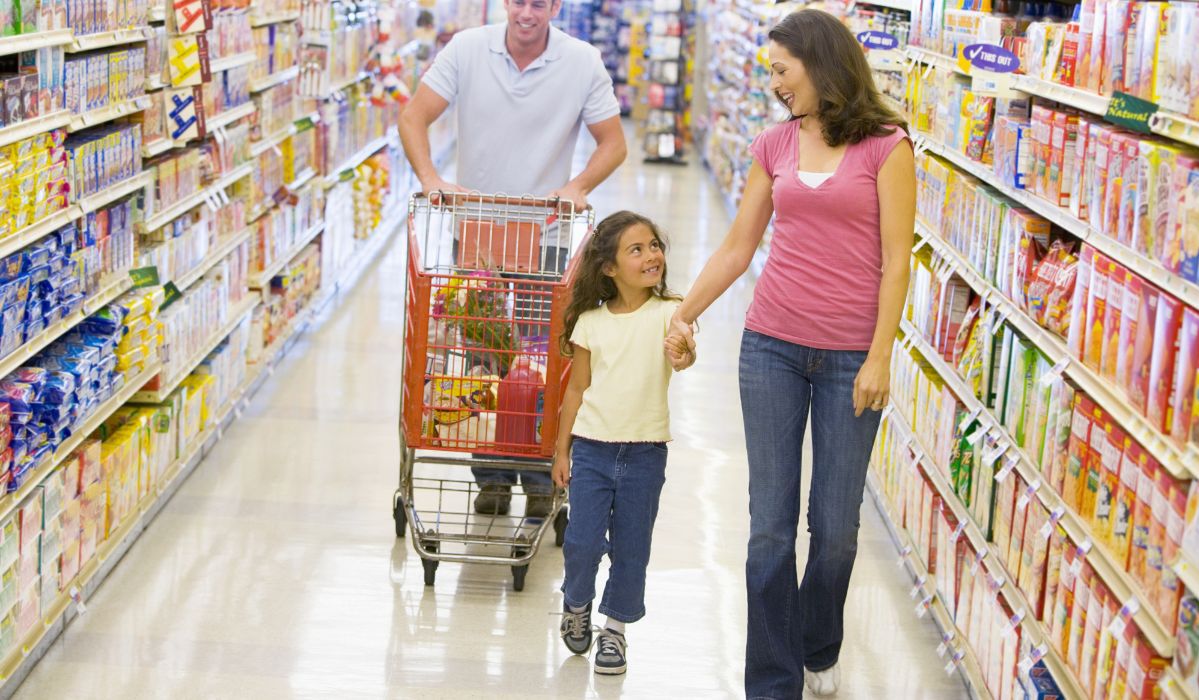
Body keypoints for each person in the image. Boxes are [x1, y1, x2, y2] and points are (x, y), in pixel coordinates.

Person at [666, 10, 915, 699]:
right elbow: (737, 248)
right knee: (769, 527)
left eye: (781, 69)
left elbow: (897, 263)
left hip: (847, 360)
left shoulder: (886, 148)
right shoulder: (772, 143)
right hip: (769, 346)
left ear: (820, 62)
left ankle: (818, 641)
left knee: (833, 530)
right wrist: (680, 315)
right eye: (769, 70)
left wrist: (879, 356)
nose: (773, 83)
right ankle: (771, 682)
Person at [398, 0, 628, 518]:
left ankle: (539, 471)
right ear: (506, 3)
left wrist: (578, 185)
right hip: (476, 233)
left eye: (539, 3)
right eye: (520, 1)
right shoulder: (467, 49)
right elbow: (414, 116)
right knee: (484, 362)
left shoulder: (582, 60)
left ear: (556, 7)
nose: (528, 12)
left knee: (538, 363)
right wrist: (432, 180)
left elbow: (613, 144)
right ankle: (494, 475)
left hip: (544, 235)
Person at [551, 211, 695, 676]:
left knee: (633, 547)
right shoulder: (591, 322)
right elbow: (576, 389)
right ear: (609, 268)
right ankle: (576, 602)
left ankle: (615, 630)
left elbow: (687, 354)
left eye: (654, 245)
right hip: (592, 447)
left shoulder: (672, 311)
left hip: (646, 451)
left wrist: (684, 351)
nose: (652, 255)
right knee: (582, 542)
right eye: (637, 249)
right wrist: (562, 448)